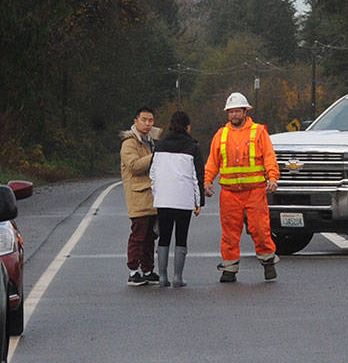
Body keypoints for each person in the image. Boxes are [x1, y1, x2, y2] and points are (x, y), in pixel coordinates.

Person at [203, 92, 280, 283]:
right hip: (230, 193)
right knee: (230, 233)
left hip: (255, 191)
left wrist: (272, 177)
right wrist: (207, 181)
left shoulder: (259, 132)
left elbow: (269, 157)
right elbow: (213, 161)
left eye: (237, 111)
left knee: (260, 229)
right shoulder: (221, 135)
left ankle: (268, 262)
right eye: (231, 112)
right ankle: (229, 269)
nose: (234, 115)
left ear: (245, 111)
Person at [149, 111, 205, 287]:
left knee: (164, 237)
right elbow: (197, 177)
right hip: (184, 199)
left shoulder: (160, 146)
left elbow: (152, 173)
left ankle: (163, 277)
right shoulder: (193, 147)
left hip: (164, 199)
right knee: (181, 237)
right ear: (188, 127)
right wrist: (199, 201)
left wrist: (156, 193)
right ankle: (178, 277)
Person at [120, 106, 161, 285]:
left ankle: (148, 269)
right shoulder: (129, 143)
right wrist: (154, 156)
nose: (147, 124)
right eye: (144, 120)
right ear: (135, 121)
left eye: (150, 120)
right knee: (138, 235)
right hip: (138, 197)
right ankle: (133, 270)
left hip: (153, 197)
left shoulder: (152, 141)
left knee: (151, 236)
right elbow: (134, 166)